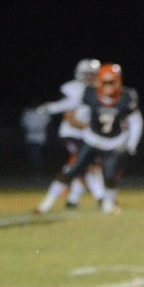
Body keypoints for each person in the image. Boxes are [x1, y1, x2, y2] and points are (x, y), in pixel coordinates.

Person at [36, 63, 143, 214]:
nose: (108, 86)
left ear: (118, 81)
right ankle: (46, 203)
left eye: (111, 82)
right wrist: (51, 108)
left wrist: (132, 143)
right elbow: (71, 103)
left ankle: (107, 204)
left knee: (110, 175)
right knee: (72, 170)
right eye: (105, 82)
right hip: (92, 139)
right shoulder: (90, 93)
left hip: (114, 142)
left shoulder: (126, 97)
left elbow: (136, 121)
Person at [39, 58, 106, 208]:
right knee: (85, 164)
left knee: (81, 167)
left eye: (93, 74)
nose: (90, 77)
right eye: (87, 74)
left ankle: (71, 200)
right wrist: (92, 127)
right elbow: (69, 117)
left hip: (88, 135)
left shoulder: (98, 90)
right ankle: (101, 199)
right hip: (72, 133)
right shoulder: (71, 88)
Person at [20, 100, 51, 183]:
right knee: (33, 155)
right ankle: (35, 172)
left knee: (36, 155)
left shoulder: (42, 112)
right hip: (30, 137)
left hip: (40, 137)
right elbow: (23, 125)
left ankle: (38, 172)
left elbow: (47, 124)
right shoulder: (27, 113)